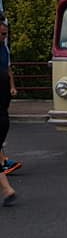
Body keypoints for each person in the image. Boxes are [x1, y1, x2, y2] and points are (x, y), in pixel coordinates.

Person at [0, 21, 18, 206]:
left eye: (5, 34)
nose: (4, 37)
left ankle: (7, 189)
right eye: (2, 34)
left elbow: (8, 71)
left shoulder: (4, 51)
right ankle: (7, 189)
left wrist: (12, 87)